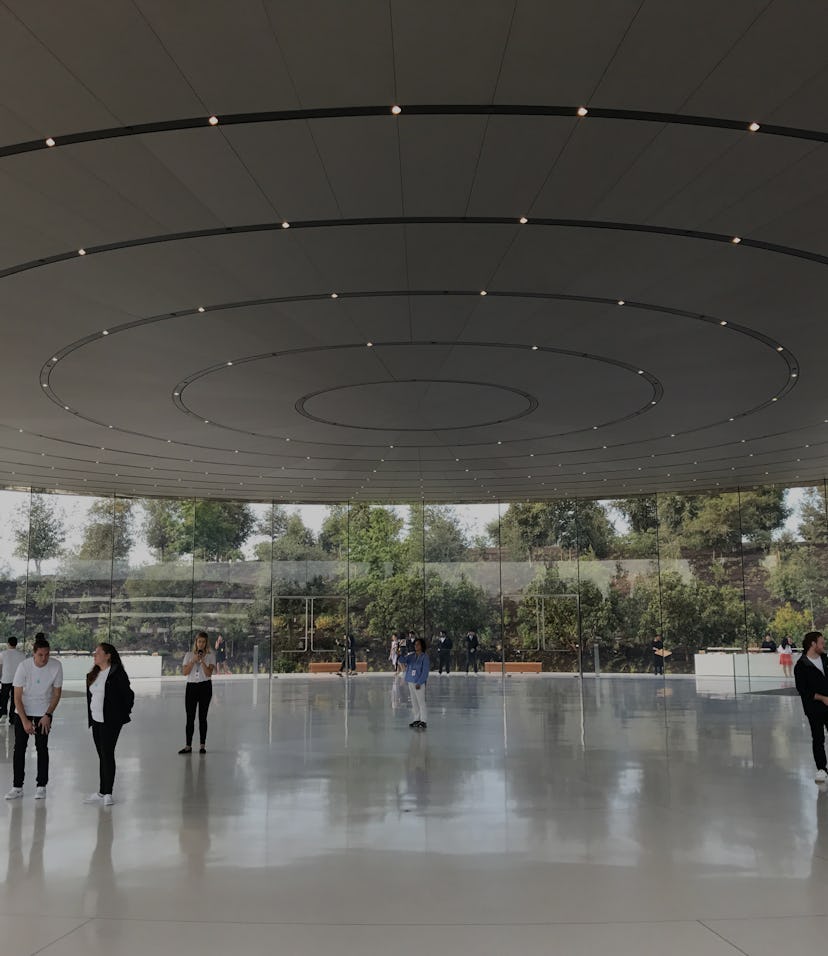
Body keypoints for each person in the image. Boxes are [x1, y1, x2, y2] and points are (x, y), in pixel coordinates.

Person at [5, 634, 63, 800]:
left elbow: (57, 694)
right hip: (23, 710)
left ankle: (41, 785)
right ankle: (17, 786)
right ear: (34, 653)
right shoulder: (24, 666)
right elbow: (16, 697)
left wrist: (48, 715)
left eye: (47, 654)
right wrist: (24, 720)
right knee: (19, 748)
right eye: (40, 655)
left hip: (44, 712)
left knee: (42, 748)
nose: (44, 658)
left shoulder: (56, 666)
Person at [84, 643, 134, 806]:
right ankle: (101, 791)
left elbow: (129, 696)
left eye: (98, 653)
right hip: (96, 720)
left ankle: (108, 793)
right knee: (102, 755)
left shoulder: (117, 673)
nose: (95, 655)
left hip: (111, 721)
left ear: (108, 655)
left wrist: (120, 714)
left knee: (107, 754)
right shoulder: (94, 674)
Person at [794, 631, 828, 782]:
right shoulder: (801, 665)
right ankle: (821, 769)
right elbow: (803, 690)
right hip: (814, 708)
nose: (823, 645)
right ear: (813, 644)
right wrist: (823, 698)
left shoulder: (825, 659)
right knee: (818, 737)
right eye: (821, 642)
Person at [179, 631, 215, 755]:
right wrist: (193, 660)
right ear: (196, 642)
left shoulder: (210, 655)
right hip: (191, 687)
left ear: (206, 643)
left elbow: (209, 673)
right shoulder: (189, 655)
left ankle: (202, 745)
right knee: (190, 717)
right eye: (199, 641)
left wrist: (203, 660)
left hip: (205, 687)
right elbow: (185, 672)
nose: (201, 644)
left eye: (203, 642)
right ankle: (188, 746)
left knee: (202, 717)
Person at [399, 637, 430, 730]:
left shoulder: (425, 657)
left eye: (418, 644)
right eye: (415, 644)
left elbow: (425, 672)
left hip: (418, 682)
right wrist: (399, 653)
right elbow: (403, 660)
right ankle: (417, 719)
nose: (416, 646)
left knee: (421, 702)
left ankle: (423, 720)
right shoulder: (411, 656)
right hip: (411, 681)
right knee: (414, 702)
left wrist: (420, 682)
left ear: (422, 646)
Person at [0, 636, 24, 725]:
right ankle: (12, 718)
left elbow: (0, 667)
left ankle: (3, 714)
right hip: (18, 680)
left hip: (5, 679)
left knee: (4, 697)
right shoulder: (22, 655)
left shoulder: (3, 654)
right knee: (15, 699)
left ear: (8, 643)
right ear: (16, 644)